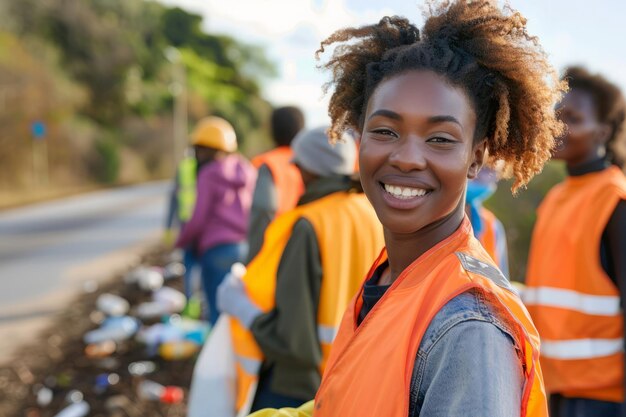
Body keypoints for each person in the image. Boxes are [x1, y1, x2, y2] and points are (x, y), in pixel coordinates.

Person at [277, 1, 564, 416]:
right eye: (385, 130)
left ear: (476, 158)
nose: (407, 158)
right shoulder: (392, 276)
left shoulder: (468, 330)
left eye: (441, 138)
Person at [216, 127, 385, 413]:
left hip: (301, 388)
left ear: (309, 169)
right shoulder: (372, 212)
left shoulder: (308, 225)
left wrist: (242, 308)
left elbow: (292, 341)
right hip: (356, 378)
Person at [524, 67, 626, 417]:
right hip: (553, 389)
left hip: (605, 399)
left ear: (603, 131)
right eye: (557, 115)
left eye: (573, 118)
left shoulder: (615, 199)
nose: (558, 126)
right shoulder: (555, 197)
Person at [176, 116, 256, 326]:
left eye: (200, 150)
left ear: (207, 150)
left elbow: (198, 219)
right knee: (238, 313)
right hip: (244, 247)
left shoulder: (209, 173)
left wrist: (182, 240)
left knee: (217, 314)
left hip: (215, 251)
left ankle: (216, 357)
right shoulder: (247, 169)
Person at [248, 106, 306, 261]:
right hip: (302, 246)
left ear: (272, 130)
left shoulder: (267, 163)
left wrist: (253, 258)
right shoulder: (311, 165)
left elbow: (263, 209)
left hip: (272, 250)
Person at [164, 147, 200, 300]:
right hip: (203, 226)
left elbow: (173, 199)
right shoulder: (209, 167)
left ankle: (191, 301)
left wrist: (168, 227)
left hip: (186, 224)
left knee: (189, 265)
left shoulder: (183, 168)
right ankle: (199, 302)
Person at [466, 167, 509, 277]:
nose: (479, 175)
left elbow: (500, 283)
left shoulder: (493, 226)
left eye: (491, 170)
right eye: (481, 168)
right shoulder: (426, 218)